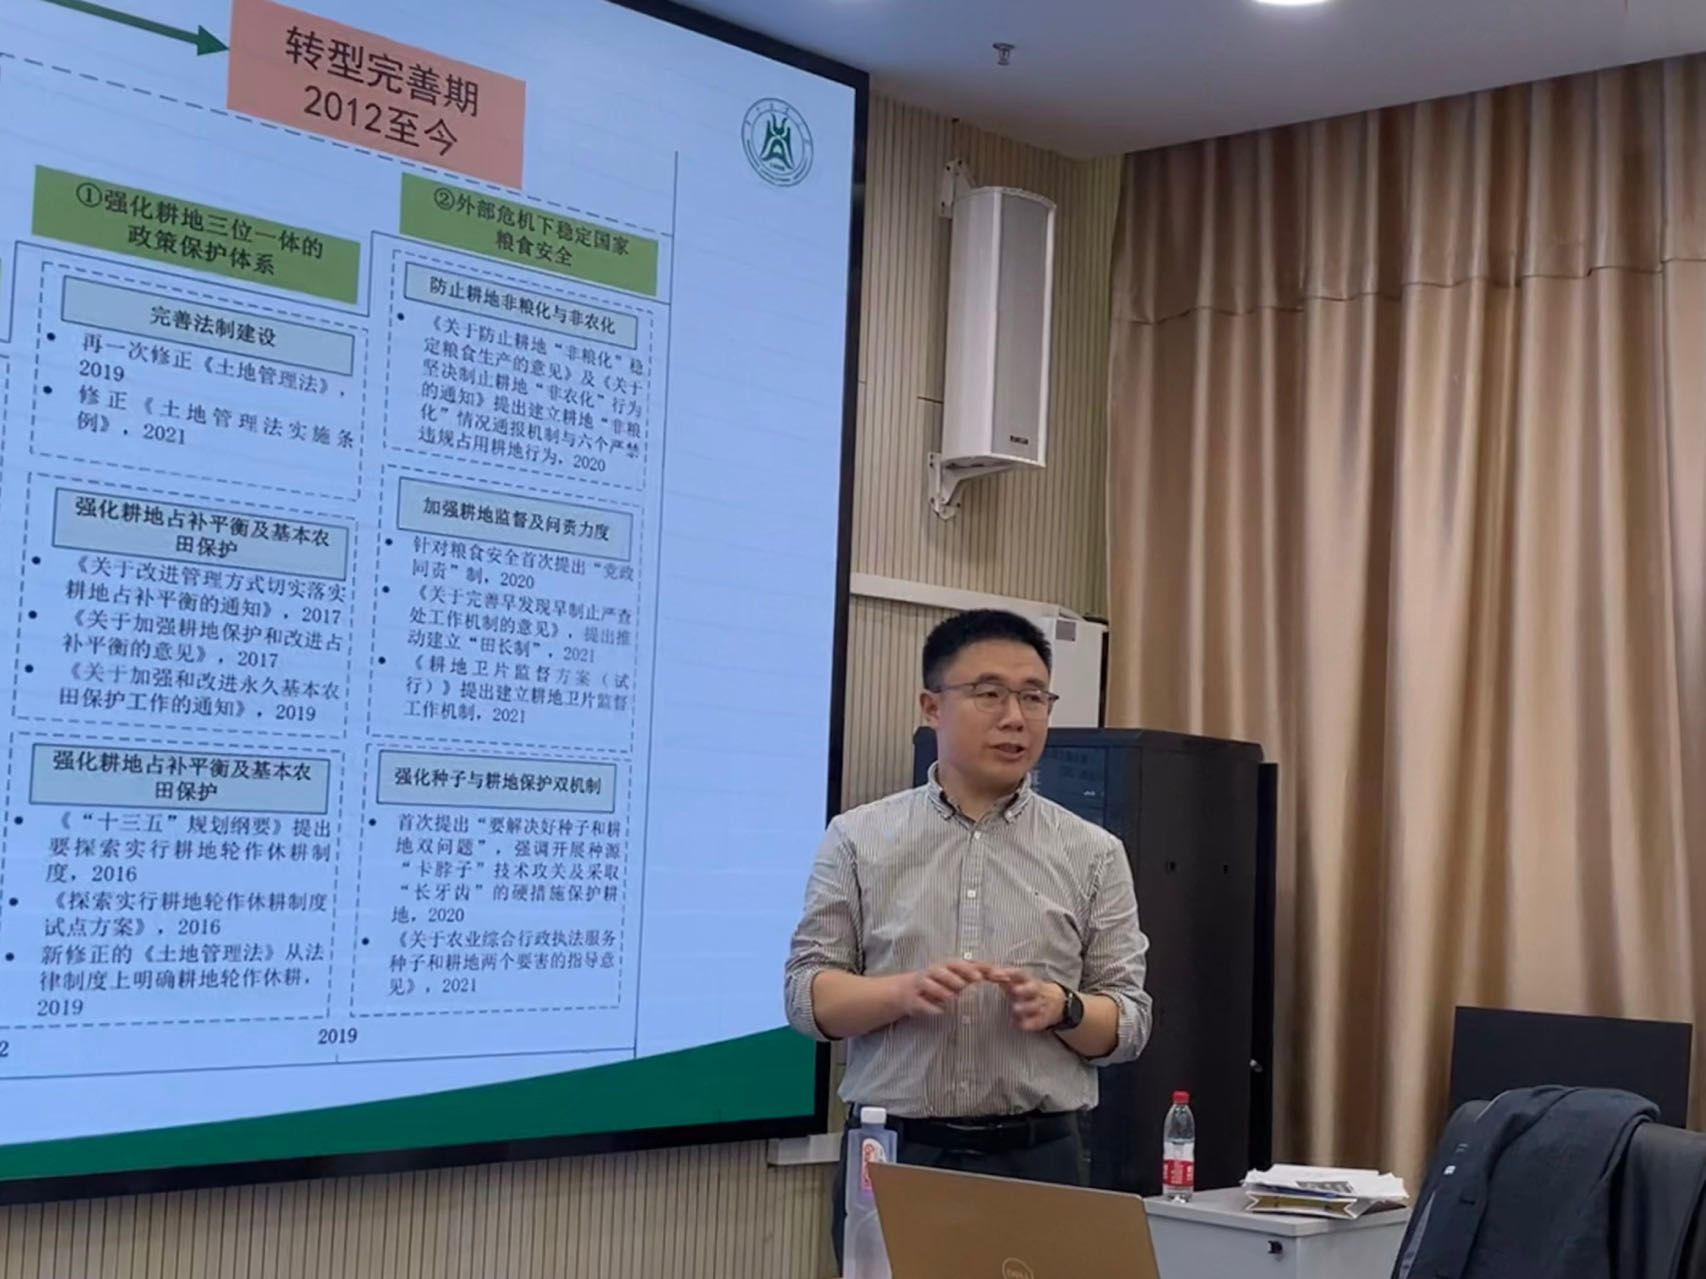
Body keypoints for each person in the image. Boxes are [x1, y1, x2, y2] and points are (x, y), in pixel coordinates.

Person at [784, 609, 1152, 1261]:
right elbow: (806, 998)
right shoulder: (860, 838)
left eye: (1034, 697)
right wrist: (901, 993)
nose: (1015, 717)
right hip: (896, 1154)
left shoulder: (1093, 852)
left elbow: (1128, 1022)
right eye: (989, 693)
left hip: (1041, 1158)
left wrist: (1063, 1007)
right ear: (932, 706)